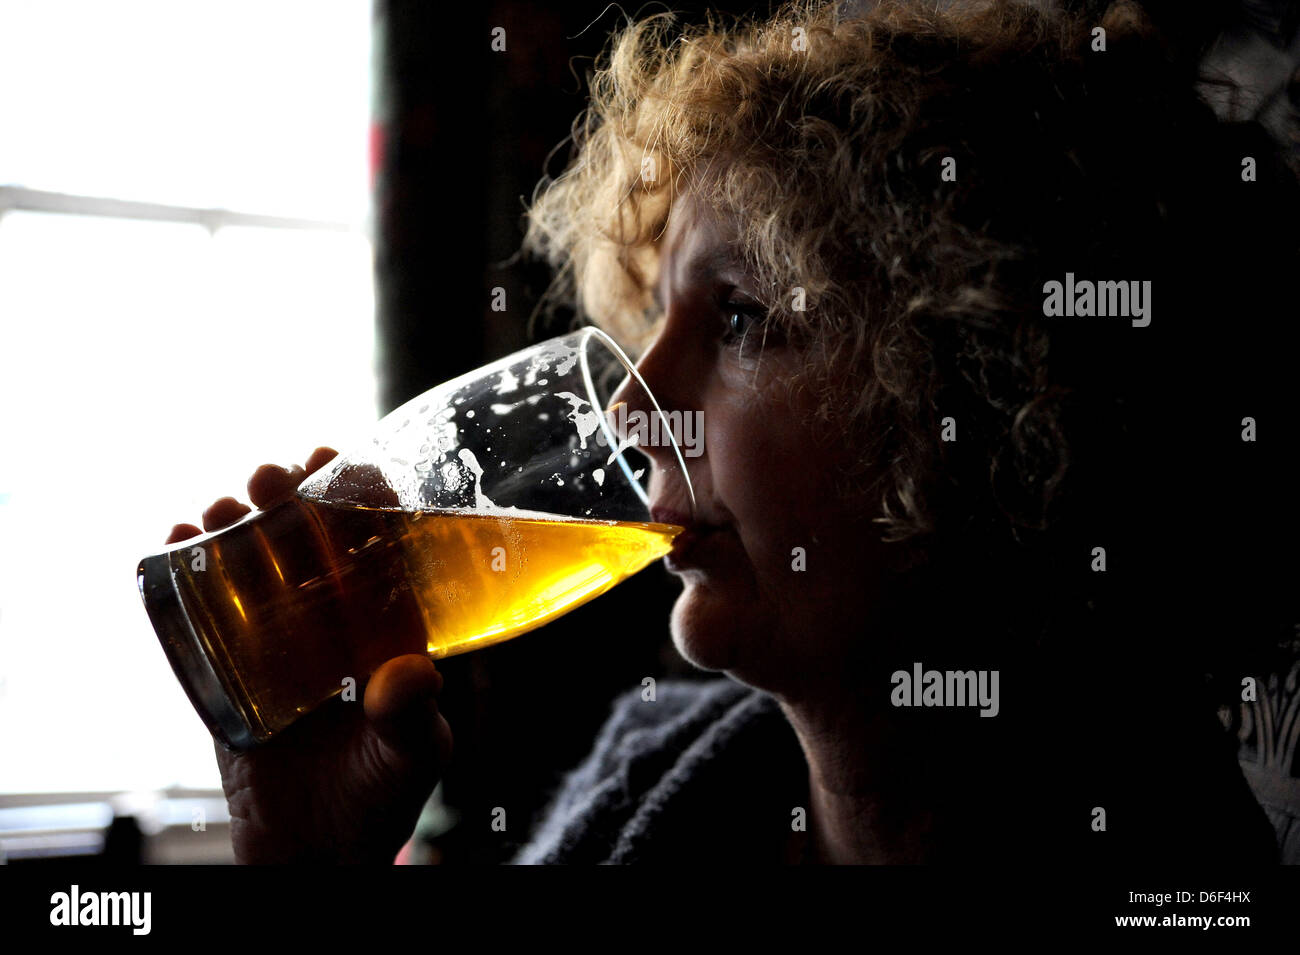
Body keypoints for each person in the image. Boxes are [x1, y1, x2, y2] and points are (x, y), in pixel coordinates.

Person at [169, 0, 1295, 863]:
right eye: (655, 313)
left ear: (995, 400)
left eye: (743, 316)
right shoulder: (641, 777)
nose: (629, 402)